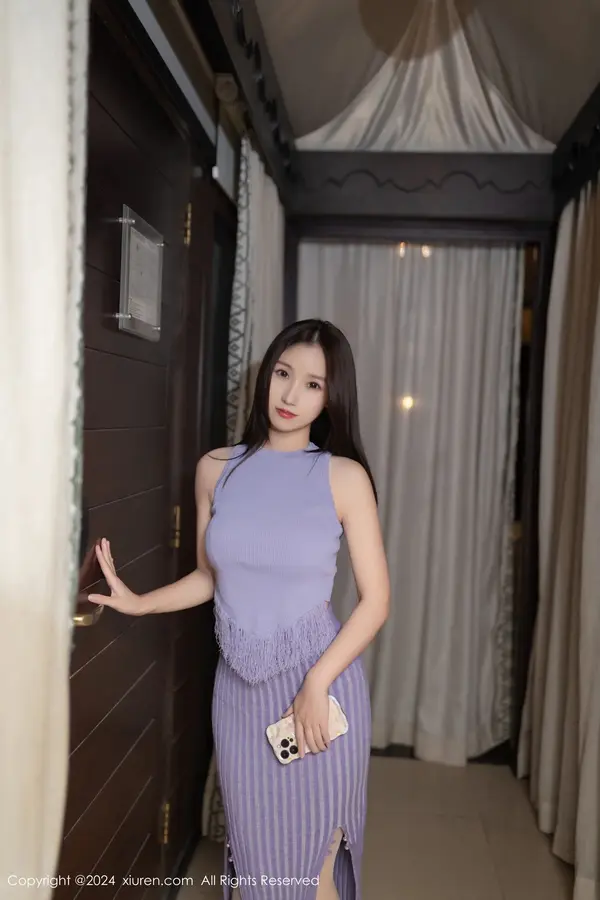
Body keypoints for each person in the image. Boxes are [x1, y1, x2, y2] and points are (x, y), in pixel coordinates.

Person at [89, 318, 390, 899]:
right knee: (259, 868)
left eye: (312, 384)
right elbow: (210, 576)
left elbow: (376, 601)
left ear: (331, 398)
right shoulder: (215, 469)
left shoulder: (344, 477)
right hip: (240, 694)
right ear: (265, 375)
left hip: (321, 689)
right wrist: (141, 603)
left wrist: (317, 682)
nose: (290, 394)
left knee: (315, 869)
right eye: (283, 373)